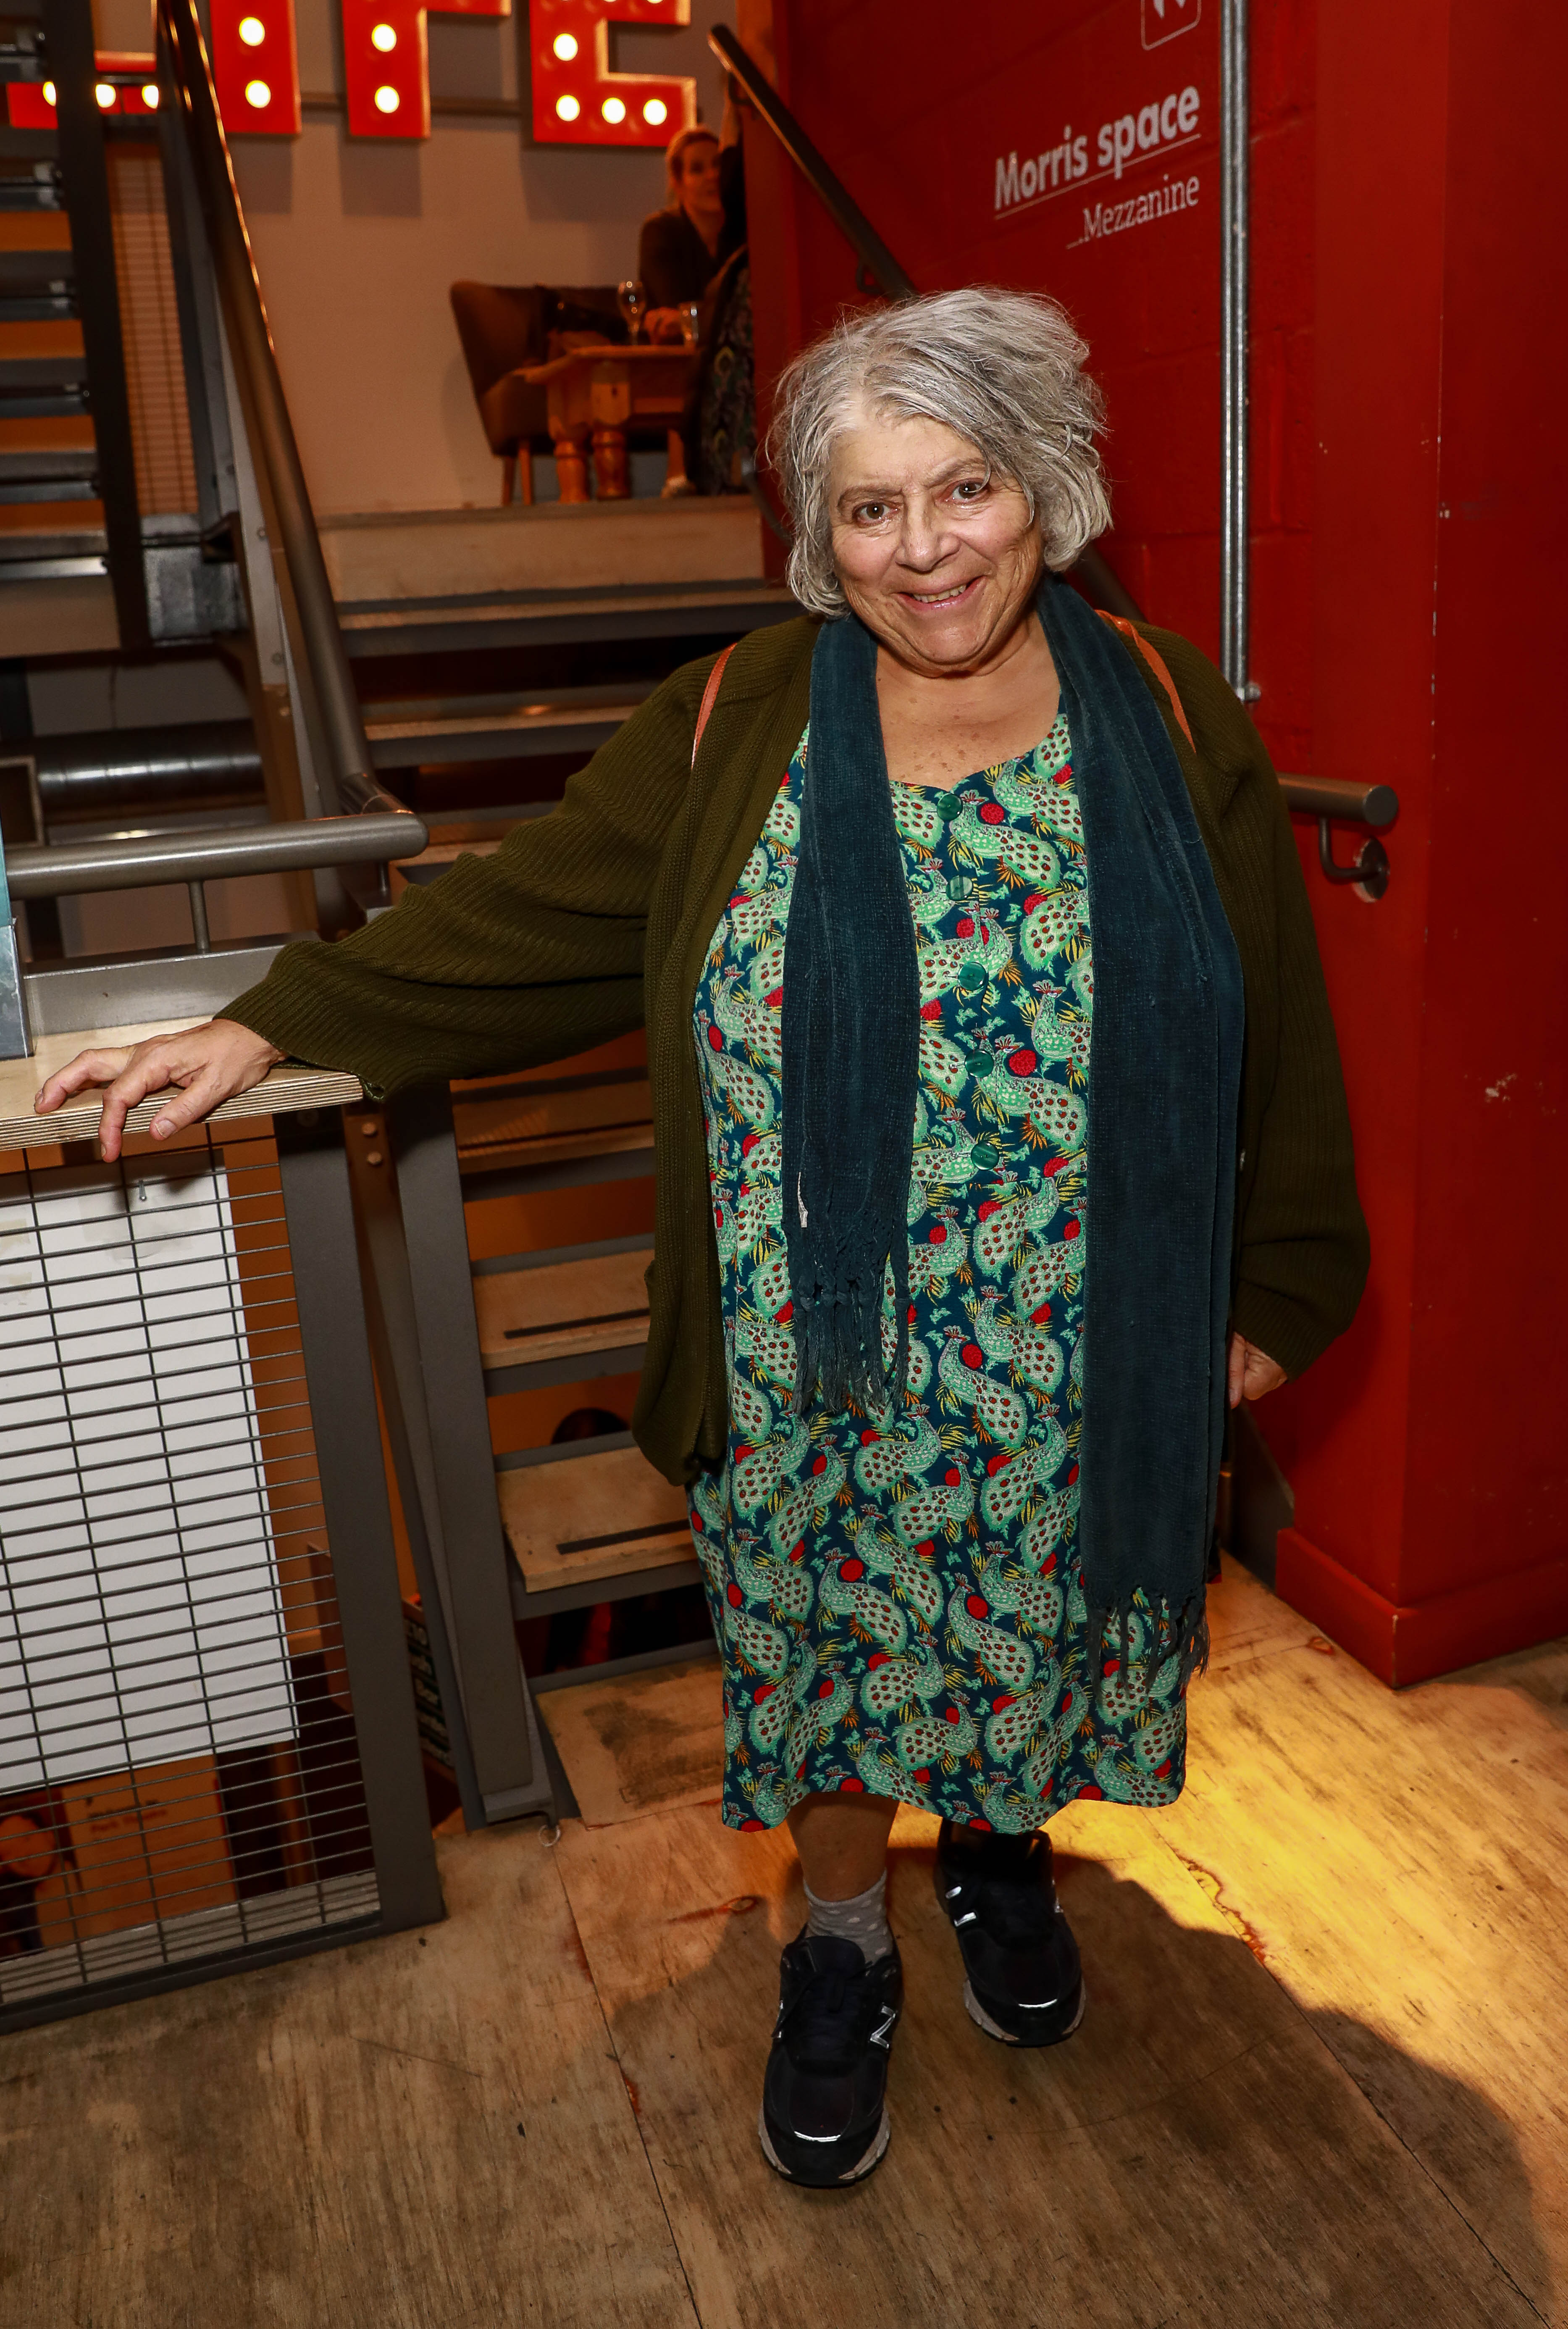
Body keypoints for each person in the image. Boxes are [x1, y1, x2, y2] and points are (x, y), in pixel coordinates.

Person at [37, 288, 1368, 2194]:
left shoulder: (1162, 715)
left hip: (1072, 1350)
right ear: (820, 533)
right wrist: (275, 1021)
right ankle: (841, 1942)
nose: (923, 550)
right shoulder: (733, 724)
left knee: (1028, 1653)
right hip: (807, 1362)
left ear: (1046, 488)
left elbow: (1269, 1021)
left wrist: (1272, 1285)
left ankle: (995, 1860)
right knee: (834, 1682)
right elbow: (523, 920)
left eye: (965, 488)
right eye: (869, 508)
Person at [638, 118, 745, 346]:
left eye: (718, 165)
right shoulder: (661, 231)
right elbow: (672, 308)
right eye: (697, 169)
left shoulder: (744, 232)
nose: (712, 176)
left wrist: (692, 317)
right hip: (674, 361)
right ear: (678, 183)